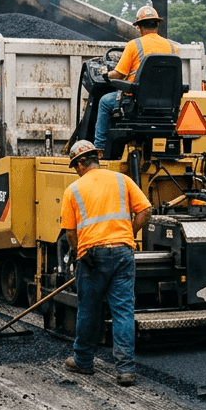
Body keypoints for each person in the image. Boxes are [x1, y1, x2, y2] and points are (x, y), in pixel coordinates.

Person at [60, 140, 153, 386]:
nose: (76, 171)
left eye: (75, 166)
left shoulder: (74, 190)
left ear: (81, 163)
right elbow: (146, 210)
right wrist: (127, 234)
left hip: (91, 257)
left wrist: (79, 250)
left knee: (89, 310)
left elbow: (70, 232)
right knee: (123, 312)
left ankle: (83, 361)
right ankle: (125, 370)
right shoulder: (122, 180)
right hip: (123, 253)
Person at [94, 6, 181, 154]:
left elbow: (120, 74)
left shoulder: (134, 45)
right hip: (165, 108)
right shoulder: (173, 48)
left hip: (136, 105)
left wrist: (105, 75)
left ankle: (100, 147)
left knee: (104, 102)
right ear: (157, 25)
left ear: (139, 28)